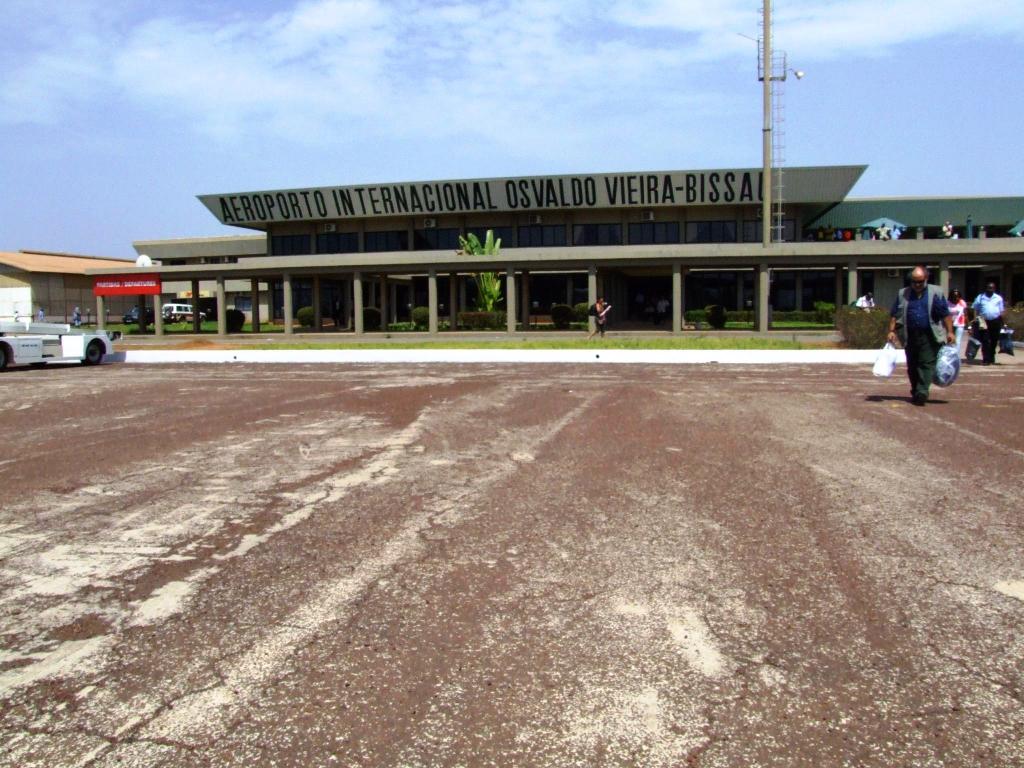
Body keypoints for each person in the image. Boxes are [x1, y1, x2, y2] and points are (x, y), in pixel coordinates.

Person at [887, 266, 955, 406]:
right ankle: (915, 390)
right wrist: (892, 331)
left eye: (920, 282)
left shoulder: (936, 292)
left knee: (926, 363)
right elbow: (895, 314)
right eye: (914, 282)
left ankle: (922, 391)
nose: (917, 285)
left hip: (929, 335)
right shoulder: (903, 294)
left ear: (926, 279)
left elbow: (945, 314)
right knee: (912, 365)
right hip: (910, 335)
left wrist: (950, 331)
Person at [971, 280, 1005, 365]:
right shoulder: (980, 297)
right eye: (989, 288)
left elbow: (1001, 311)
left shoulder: (998, 298)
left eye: (992, 288)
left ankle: (991, 356)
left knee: (994, 340)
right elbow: (975, 308)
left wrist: (1003, 322)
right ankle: (986, 359)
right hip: (983, 321)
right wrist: (975, 319)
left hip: (995, 321)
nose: (990, 289)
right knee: (985, 340)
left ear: (994, 289)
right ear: (986, 288)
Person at [947, 289, 967, 357]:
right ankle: (949, 356)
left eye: (958, 296)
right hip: (950, 325)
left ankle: (956, 357)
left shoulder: (962, 303)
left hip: (959, 324)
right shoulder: (947, 303)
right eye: (954, 296)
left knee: (957, 341)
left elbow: (965, 314)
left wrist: (969, 325)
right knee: (950, 341)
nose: (956, 298)